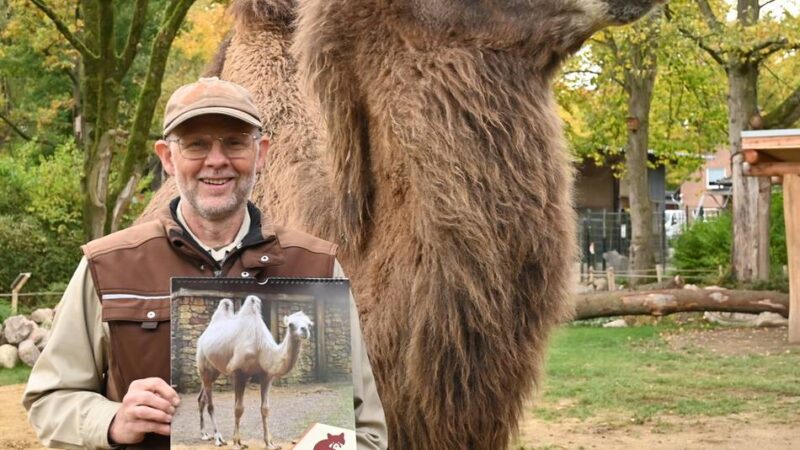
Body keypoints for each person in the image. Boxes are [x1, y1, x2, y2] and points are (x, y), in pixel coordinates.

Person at [23, 77, 388, 450]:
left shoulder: (318, 267)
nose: (216, 161)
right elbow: (50, 398)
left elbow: (369, 432)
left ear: (260, 153)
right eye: (196, 145)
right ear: (168, 157)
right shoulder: (108, 266)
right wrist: (112, 420)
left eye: (234, 142)